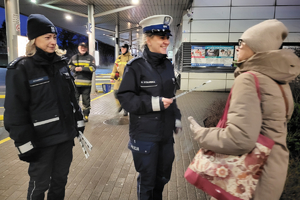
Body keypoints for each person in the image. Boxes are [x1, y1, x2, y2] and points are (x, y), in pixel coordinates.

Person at [188, 19, 300, 200]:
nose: (237, 47)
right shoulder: (279, 82)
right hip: (273, 171)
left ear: (257, 47)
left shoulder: (248, 78)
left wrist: (201, 134)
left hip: (248, 178)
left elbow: (240, 139)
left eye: (242, 42)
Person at [4, 14, 85, 200]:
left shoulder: (61, 65)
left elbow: (72, 98)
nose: (53, 42)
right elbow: (15, 113)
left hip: (64, 138)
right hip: (41, 142)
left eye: (54, 37)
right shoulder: (21, 68)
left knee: (60, 181)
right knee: (39, 186)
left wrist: (78, 121)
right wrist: (24, 144)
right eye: (47, 37)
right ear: (34, 40)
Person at [117, 15, 182, 200]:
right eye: (162, 37)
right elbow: (125, 98)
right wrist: (153, 104)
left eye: (167, 37)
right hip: (145, 137)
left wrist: (176, 116)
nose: (167, 42)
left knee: (162, 178)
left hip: (165, 137)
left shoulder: (168, 66)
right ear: (148, 39)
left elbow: (172, 97)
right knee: (147, 182)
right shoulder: (135, 67)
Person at [69, 42, 95, 122]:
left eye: (84, 47)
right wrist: (74, 68)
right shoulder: (74, 57)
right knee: (75, 100)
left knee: (86, 101)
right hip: (76, 84)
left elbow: (93, 68)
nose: (83, 49)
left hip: (86, 84)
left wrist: (82, 69)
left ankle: (86, 115)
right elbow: (69, 65)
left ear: (86, 48)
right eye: (81, 47)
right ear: (78, 48)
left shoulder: (90, 58)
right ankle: (76, 115)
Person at [110, 43, 133, 116]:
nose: (122, 50)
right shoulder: (119, 57)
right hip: (118, 80)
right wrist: (112, 77)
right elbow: (114, 68)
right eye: (121, 48)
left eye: (124, 48)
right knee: (116, 93)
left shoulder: (131, 58)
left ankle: (125, 110)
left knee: (125, 95)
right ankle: (120, 105)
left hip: (127, 81)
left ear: (127, 49)